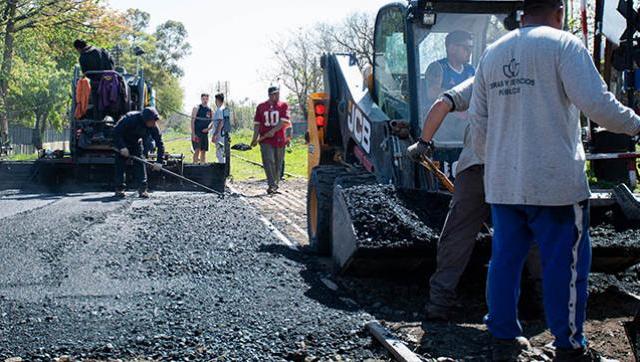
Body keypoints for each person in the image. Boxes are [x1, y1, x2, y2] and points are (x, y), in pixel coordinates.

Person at [469, 0, 640, 359]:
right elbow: (598, 106)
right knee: (566, 267)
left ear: (522, 11)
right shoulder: (563, 45)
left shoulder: (492, 53)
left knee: (505, 260)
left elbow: (479, 124)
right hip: (555, 185)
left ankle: (501, 335)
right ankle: (570, 346)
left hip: (504, 185)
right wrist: (636, 123)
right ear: (559, 12)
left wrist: (498, 162)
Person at [407, 78, 541, 323]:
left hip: (475, 166)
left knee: (457, 235)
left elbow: (442, 103)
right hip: (517, 168)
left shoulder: (486, 72)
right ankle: (544, 299)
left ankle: (439, 303)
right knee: (530, 232)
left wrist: (422, 144)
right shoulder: (536, 75)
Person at [113, 108, 165, 199]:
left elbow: (160, 144)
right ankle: (119, 189)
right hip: (123, 142)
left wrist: (159, 161)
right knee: (120, 165)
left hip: (136, 143)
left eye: (155, 121)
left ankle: (143, 189)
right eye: (152, 121)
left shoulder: (154, 127)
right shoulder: (129, 119)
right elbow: (116, 132)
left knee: (140, 163)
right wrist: (122, 147)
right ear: (145, 120)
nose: (154, 123)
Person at [251, 86, 291, 194]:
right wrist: (254, 138)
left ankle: (276, 184)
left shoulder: (283, 106)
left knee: (278, 162)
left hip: (279, 139)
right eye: (274, 94)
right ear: (270, 95)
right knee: (269, 161)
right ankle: (271, 184)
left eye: (278, 93)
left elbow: (284, 122)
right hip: (265, 140)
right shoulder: (261, 107)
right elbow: (257, 124)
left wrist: (274, 131)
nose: (277, 96)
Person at [425, 31, 475, 102]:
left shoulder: (471, 70)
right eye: (466, 48)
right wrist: (461, 95)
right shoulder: (437, 67)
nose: (470, 52)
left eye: (471, 48)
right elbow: (432, 93)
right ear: (452, 48)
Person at [73, 39, 115, 119]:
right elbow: (111, 64)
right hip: (109, 81)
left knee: (97, 104)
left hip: (96, 83)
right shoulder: (102, 51)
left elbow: (86, 72)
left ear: (78, 48)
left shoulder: (83, 57)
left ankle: (98, 122)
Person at [191, 93, 214, 164]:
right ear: (201, 99)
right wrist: (193, 133)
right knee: (197, 150)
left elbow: (213, 121)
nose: (205, 100)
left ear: (208, 99)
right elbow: (192, 121)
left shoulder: (210, 110)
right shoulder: (196, 108)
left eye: (206, 99)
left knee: (203, 151)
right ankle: (194, 165)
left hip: (205, 134)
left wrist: (208, 129)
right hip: (197, 133)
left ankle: (202, 165)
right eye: (203, 99)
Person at [211, 93, 227, 164]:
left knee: (220, 153)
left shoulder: (220, 110)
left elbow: (221, 122)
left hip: (220, 135)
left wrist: (215, 134)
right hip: (224, 134)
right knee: (223, 153)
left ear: (217, 100)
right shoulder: (225, 109)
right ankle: (224, 168)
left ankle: (222, 169)